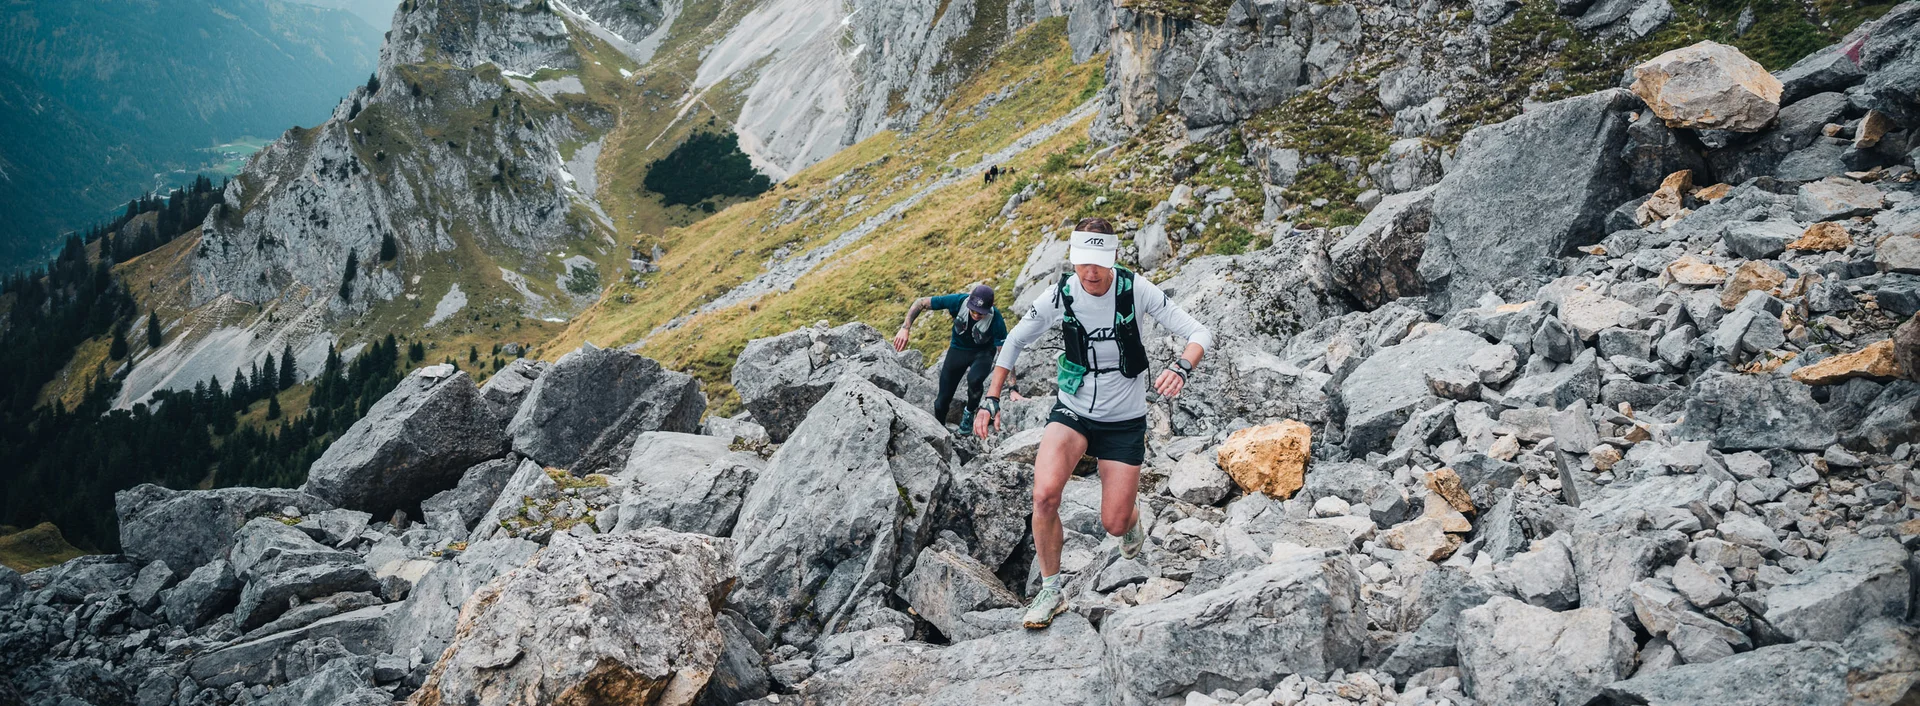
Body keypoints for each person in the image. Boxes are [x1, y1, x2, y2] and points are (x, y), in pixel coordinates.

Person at [972, 217, 1212, 629]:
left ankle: (1131, 518)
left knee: (1113, 523)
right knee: (1045, 496)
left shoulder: (1134, 290)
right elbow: (1013, 341)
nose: (1091, 272)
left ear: (1114, 257)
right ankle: (1051, 590)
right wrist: (990, 397)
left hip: (1124, 420)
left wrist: (1182, 366)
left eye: (1099, 262)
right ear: (1075, 258)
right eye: (1083, 261)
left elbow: (1199, 332)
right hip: (1073, 411)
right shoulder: (1060, 294)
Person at [894, 283, 1010, 429]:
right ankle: (940, 429)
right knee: (941, 400)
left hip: (983, 354)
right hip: (958, 350)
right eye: (973, 310)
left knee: (975, 380)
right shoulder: (958, 301)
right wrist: (905, 328)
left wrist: (1013, 388)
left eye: (980, 313)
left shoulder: (996, 319)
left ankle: (968, 414)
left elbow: (1005, 353)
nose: (975, 315)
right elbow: (921, 302)